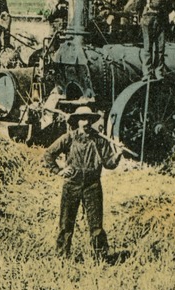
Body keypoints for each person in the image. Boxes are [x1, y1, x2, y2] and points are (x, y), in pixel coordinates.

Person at [43, 106, 121, 262]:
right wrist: (58, 171)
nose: (85, 122)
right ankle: (62, 257)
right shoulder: (69, 138)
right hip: (72, 184)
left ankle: (101, 259)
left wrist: (118, 155)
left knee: (96, 226)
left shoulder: (99, 140)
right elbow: (48, 154)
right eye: (82, 119)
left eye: (88, 119)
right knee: (66, 223)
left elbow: (109, 164)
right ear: (77, 121)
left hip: (92, 186)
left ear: (91, 121)